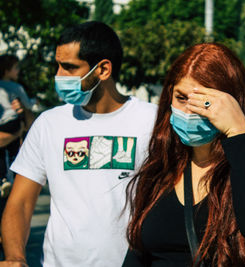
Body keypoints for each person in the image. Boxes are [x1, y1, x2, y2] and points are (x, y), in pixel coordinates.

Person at [123, 43, 245, 266]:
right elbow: (138, 254)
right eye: (181, 98)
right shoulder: (160, 169)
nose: (189, 110)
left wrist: (237, 131)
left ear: (232, 103)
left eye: (204, 102)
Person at [0, 21, 157, 266]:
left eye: (69, 67)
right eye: (58, 65)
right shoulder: (49, 124)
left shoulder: (153, 122)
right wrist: (14, 257)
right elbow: (20, 203)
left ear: (103, 70)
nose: (59, 75)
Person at [0, 54, 35, 179]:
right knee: (14, 149)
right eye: (15, 67)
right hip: (13, 121)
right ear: (7, 70)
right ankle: (14, 174)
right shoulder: (16, 87)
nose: (18, 70)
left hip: (2, 123)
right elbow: (28, 105)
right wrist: (34, 101)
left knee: (2, 151)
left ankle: (3, 178)